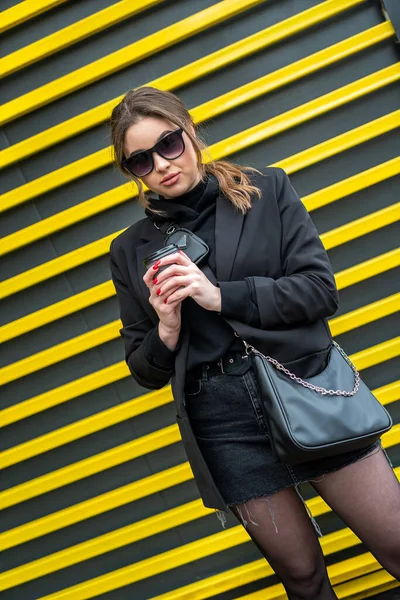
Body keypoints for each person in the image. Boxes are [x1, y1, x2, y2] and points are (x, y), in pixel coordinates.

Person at [109, 86, 400, 598]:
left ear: (190, 132)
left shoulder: (266, 190)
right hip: (221, 421)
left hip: (305, 386)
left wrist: (221, 297)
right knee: (303, 577)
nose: (161, 165)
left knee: (397, 543)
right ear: (131, 171)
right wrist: (168, 328)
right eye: (140, 160)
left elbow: (318, 291)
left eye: (169, 144)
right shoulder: (130, 250)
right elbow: (145, 368)